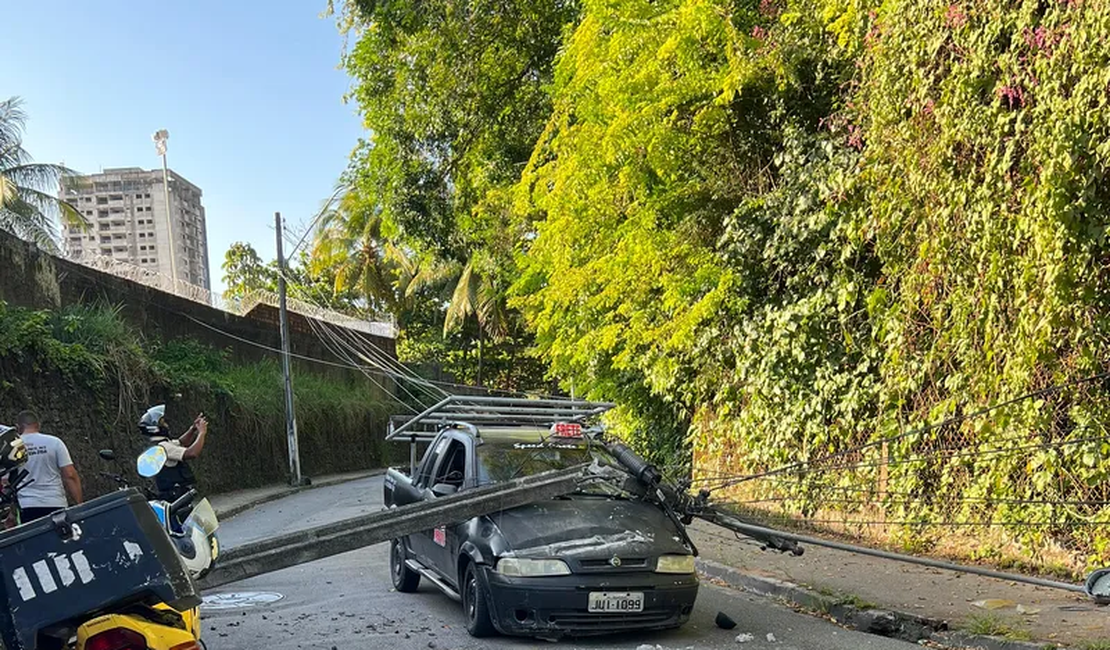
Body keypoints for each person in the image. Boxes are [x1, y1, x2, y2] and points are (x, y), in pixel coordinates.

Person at [16, 410, 82, 523]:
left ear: (17, 427)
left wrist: (12, 513)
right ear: (38, 424)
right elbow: (70, 475)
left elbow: (5, 481)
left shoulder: (14, 447)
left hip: (27, 505)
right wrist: (80, 505)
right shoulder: (55, 442)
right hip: (55, 502)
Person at [138, 405, 208, 501]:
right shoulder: (164, 447)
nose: (166, 425)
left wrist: (192, 429)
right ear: (156, 427)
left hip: (170, 496)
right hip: (175, 497)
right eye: (163, 422)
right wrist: (202, 433)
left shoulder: (158, 444)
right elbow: (192, 453)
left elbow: (181, 442)